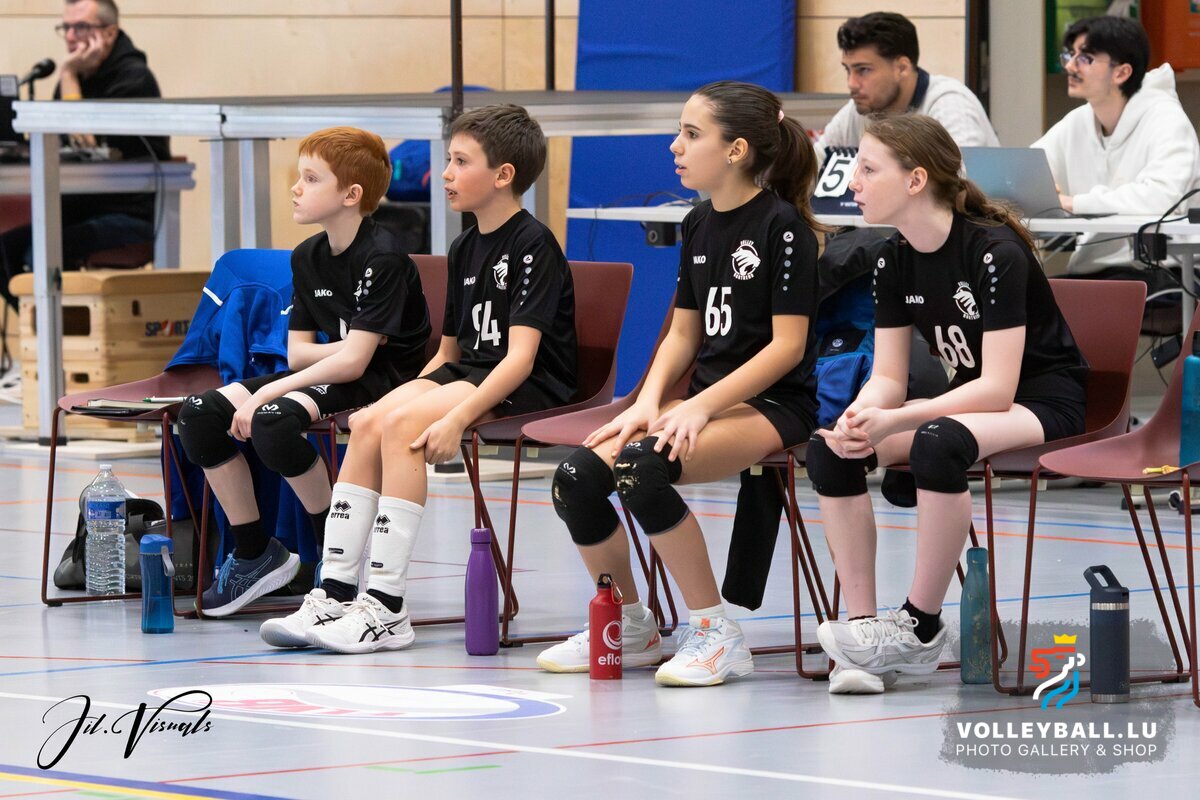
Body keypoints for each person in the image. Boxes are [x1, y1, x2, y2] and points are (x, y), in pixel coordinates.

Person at [260, 104, 578, 654]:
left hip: (527, 381)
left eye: (460, 162)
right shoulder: (464, 245)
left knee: (402, 426)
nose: (446, 174)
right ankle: (334, 593)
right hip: (469, 370)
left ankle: (386, 607)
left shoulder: (533, 244)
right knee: (370, 422)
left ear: (503, 175)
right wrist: (397, 398)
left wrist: (454, 419)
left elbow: (521, 359)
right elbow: (449, 352)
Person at [536, 81, 822, 687]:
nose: (675, 146)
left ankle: (716, 632)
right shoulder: (698, 223)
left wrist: (701, 407)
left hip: (773, 403)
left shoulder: (783, 228)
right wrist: (647, 402)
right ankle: (629, 623)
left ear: (737, 150)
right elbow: (683, 335)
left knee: (641, 469)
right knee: (577, 478)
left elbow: (787, 347)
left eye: (692, 134)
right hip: (703, 401)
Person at [807, 114, 1089, 694]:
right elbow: (888, 376)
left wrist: (899, 416)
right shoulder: (892, 258)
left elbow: (998, 389)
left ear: (915, 180)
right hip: (968, 404)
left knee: (938, 442)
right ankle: (864, 633)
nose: (853, 182)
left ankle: (919, 626)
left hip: (1042, 401)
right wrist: (860, 416)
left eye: (868, 169)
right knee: (832, 448)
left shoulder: (994, 252)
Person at [177, 126, 431, 618]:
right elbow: (298, 355)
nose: (296, 188)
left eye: (311, 179)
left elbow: (357, 364)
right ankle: (255, 552)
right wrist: (345, 349)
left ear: (351, 195)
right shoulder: (307, 256)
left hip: (389, 381)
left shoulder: (384, 258)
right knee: (199, 415)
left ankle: (333, 556)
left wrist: (266, 394)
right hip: (341, 370)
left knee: (271, 420)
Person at [0, 0, 170, 309]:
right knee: (5, 248)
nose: (70, 36)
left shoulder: (134, 78)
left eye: (81, 27)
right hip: (79, 209)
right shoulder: (79, 76)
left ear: (110, 33)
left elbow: (85, 143)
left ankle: (57, 332)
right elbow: (59, 142)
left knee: (43, 252)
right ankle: (40, 331)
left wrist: (67, 74)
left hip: (129, 214)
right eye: (66, 27)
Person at [1033, 15, 1200, 275]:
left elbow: (1161, 198)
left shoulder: (1166, 120)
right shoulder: (1079, 121)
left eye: (1085, 58)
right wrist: (1037, 192)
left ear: (1122, 72)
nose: (1071, 67)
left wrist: (1073, 203)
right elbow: (1028, 169)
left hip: (1163, 271)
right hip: (1092, 269)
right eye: (1070, 55)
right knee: (1030, 291)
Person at [814, 11, 997, 167]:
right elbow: (810, 170)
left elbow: (963, 184)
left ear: (902, 68)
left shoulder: (950, 104)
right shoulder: (859, 110)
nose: (852, 83)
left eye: (863, 70)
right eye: (848, 70)